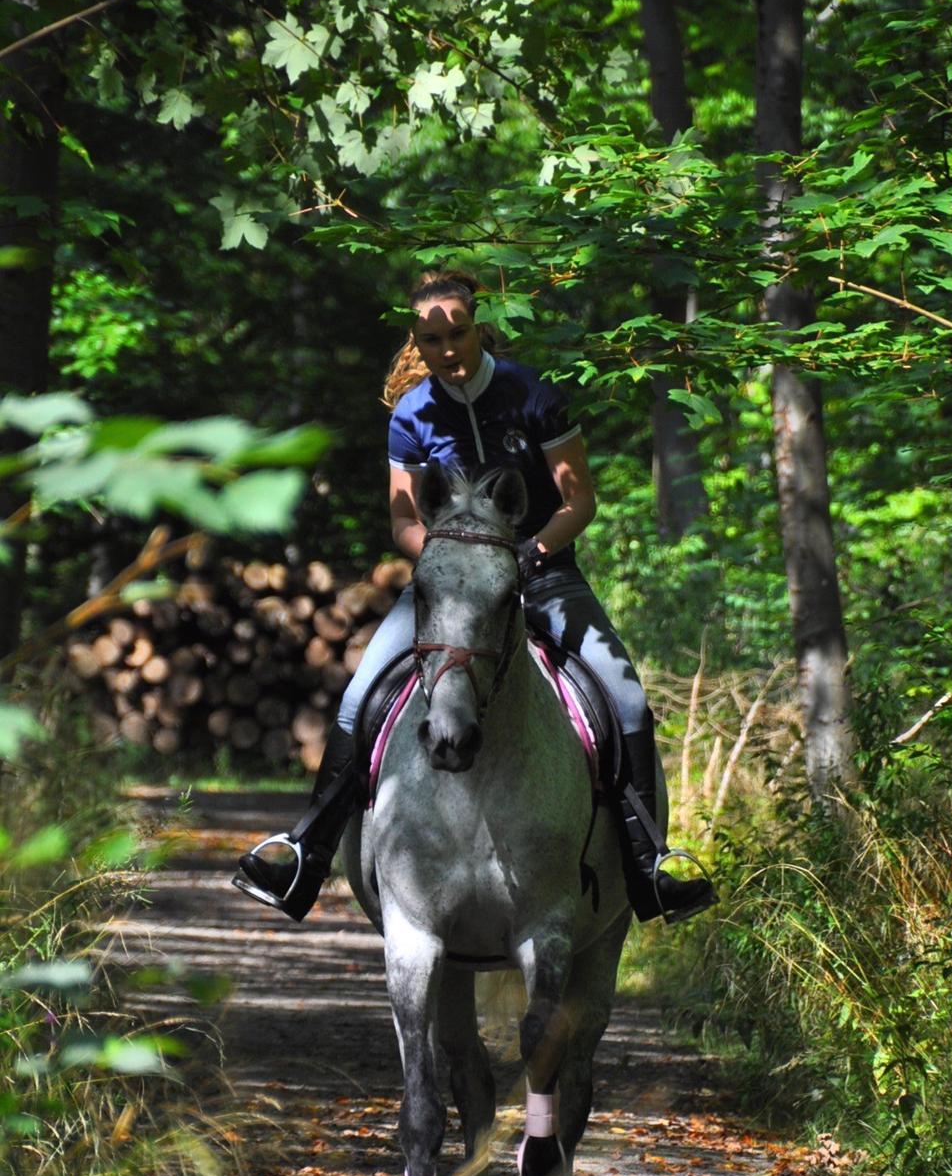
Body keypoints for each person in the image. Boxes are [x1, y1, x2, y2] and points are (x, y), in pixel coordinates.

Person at [234, 269, 716, 925]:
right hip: (447, 587)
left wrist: (529, 552)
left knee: (625, 696)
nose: (446, 348)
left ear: (477, 326)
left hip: (544, 575)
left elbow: (579, 500)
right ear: (418, 342)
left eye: (457, 332)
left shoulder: (531, 394)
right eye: (430, 338)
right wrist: (449, 559)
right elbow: (404, 521)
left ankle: (649, 864)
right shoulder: (411, 416)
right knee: (357, 698)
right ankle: (304, 853)